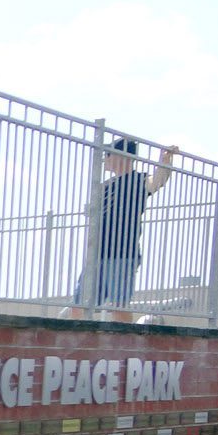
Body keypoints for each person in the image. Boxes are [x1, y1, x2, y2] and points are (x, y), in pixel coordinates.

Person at [63, 138, 177, 323]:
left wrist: (165, 162)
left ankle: (122, 343)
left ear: (119, 156)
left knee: (119, 304)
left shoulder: (138, 180)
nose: (105, 160)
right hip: (98, 253)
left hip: (123, 253)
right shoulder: (104, 186)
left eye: (108, 155)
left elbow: (157, 181)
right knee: (80, 303)